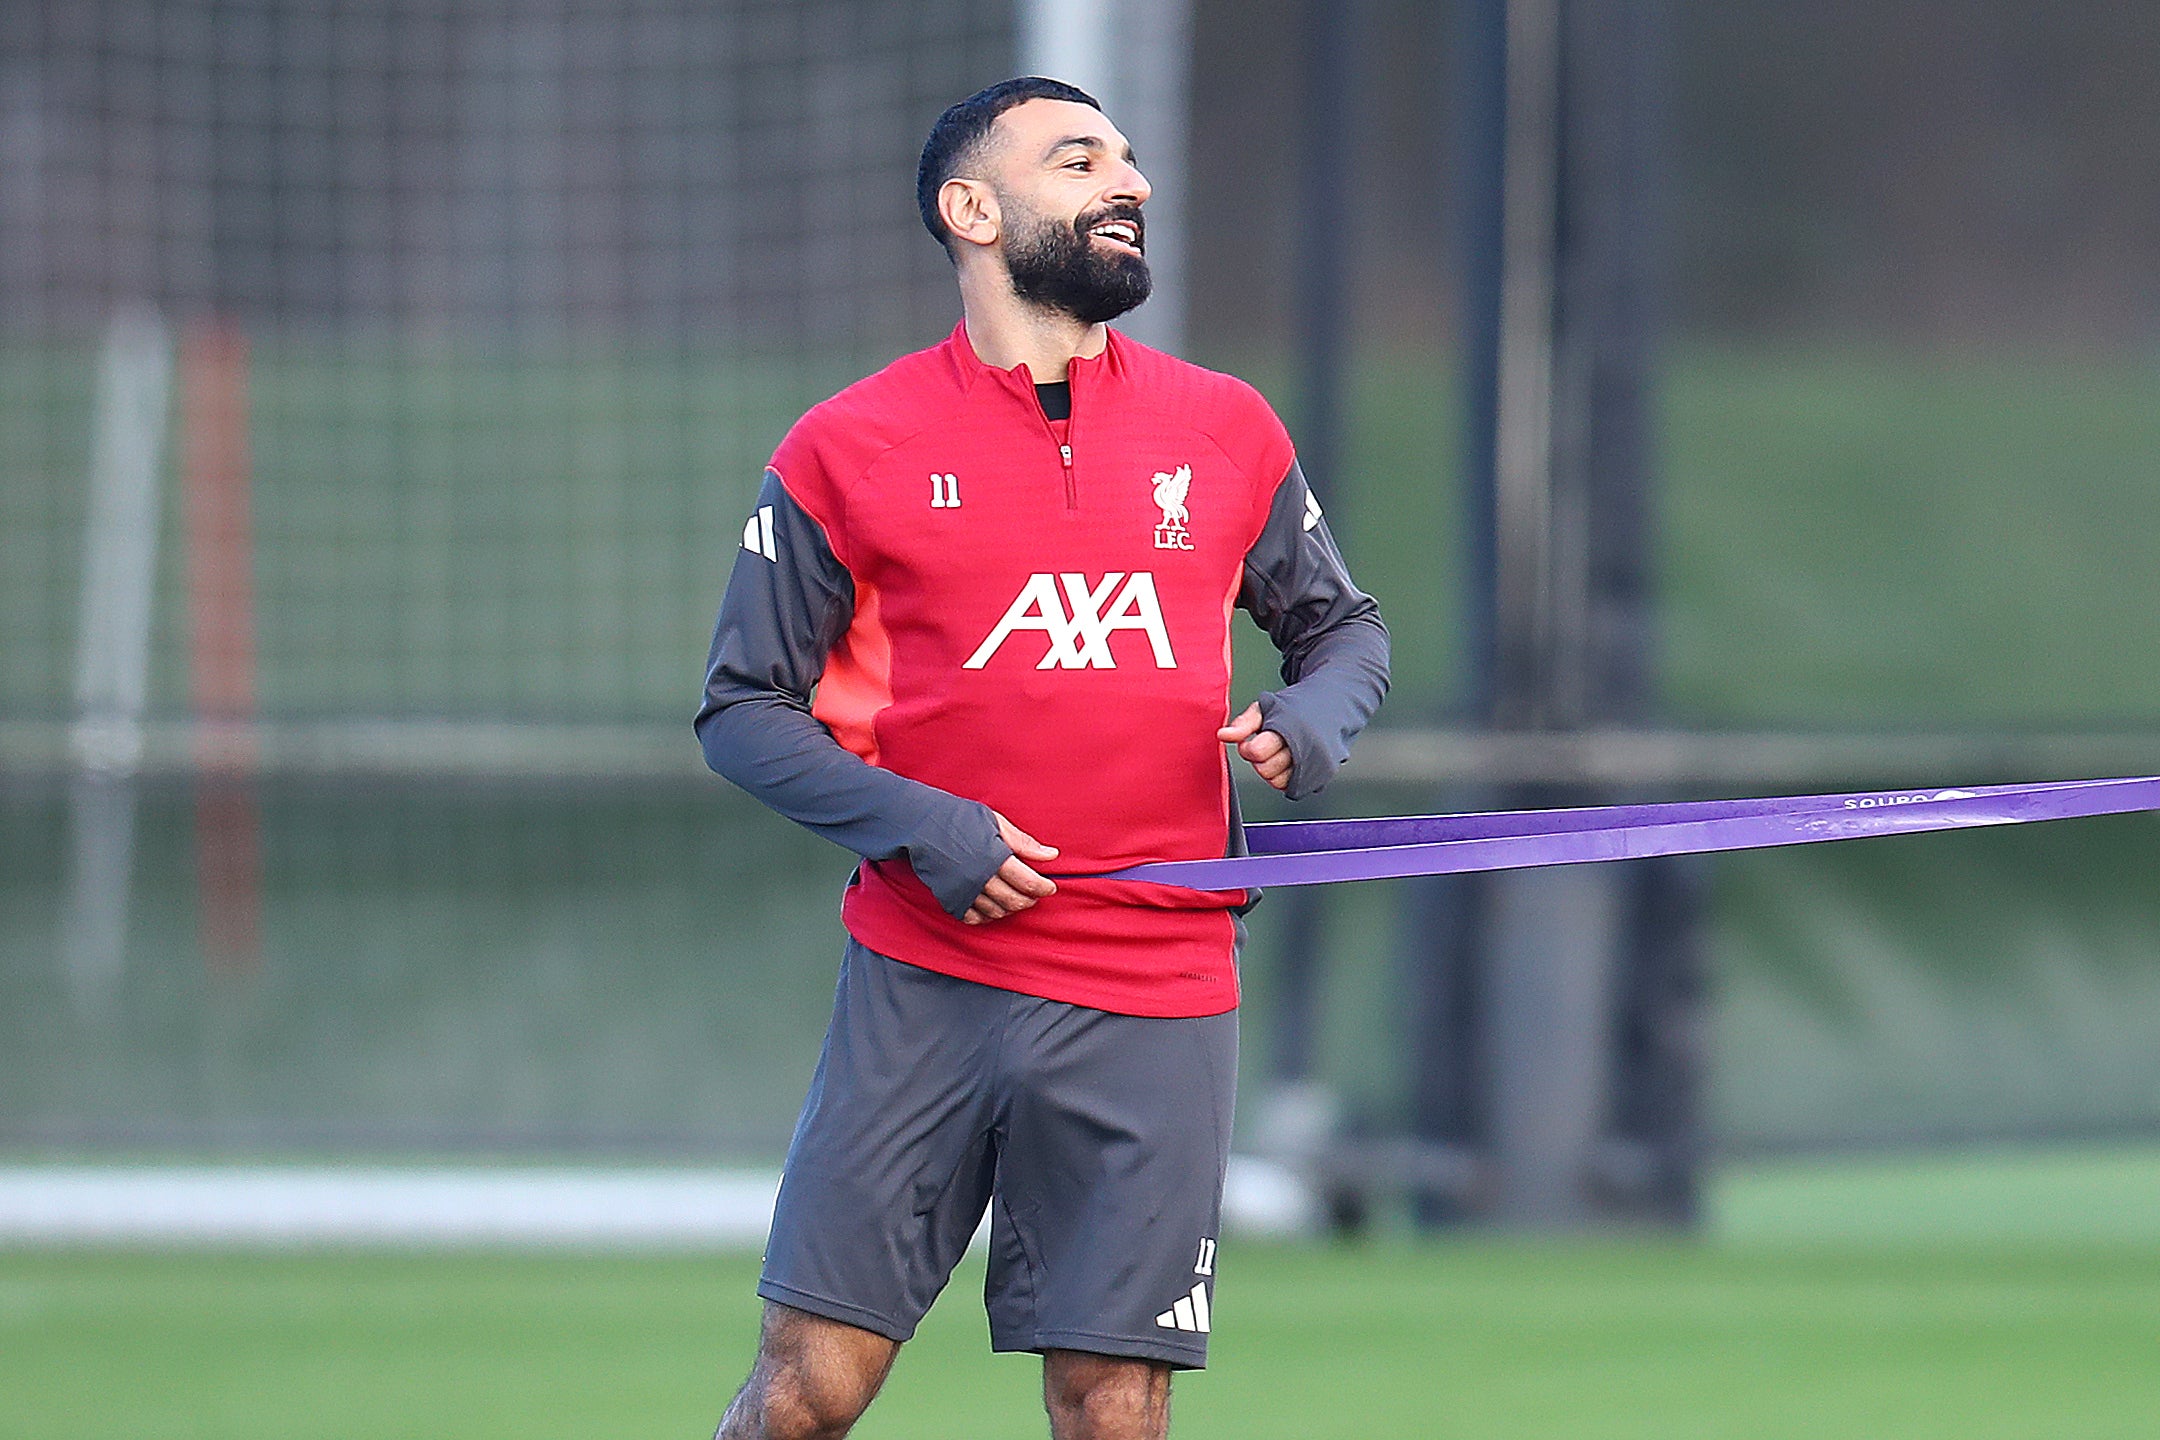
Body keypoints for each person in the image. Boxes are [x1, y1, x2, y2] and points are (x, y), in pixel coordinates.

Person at [696, 76, 1389, 1440]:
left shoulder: (1225, 429)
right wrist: (921, 827)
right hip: (927, 985)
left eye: (1130, 160)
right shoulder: (849, 446)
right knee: (806, 1395)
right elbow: (741, 709)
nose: (1126, 182)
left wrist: (1313, 726)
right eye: (1079, 160)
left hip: (1157, 989)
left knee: (1110, 1405)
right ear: (972, 210)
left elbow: (1346, 635)